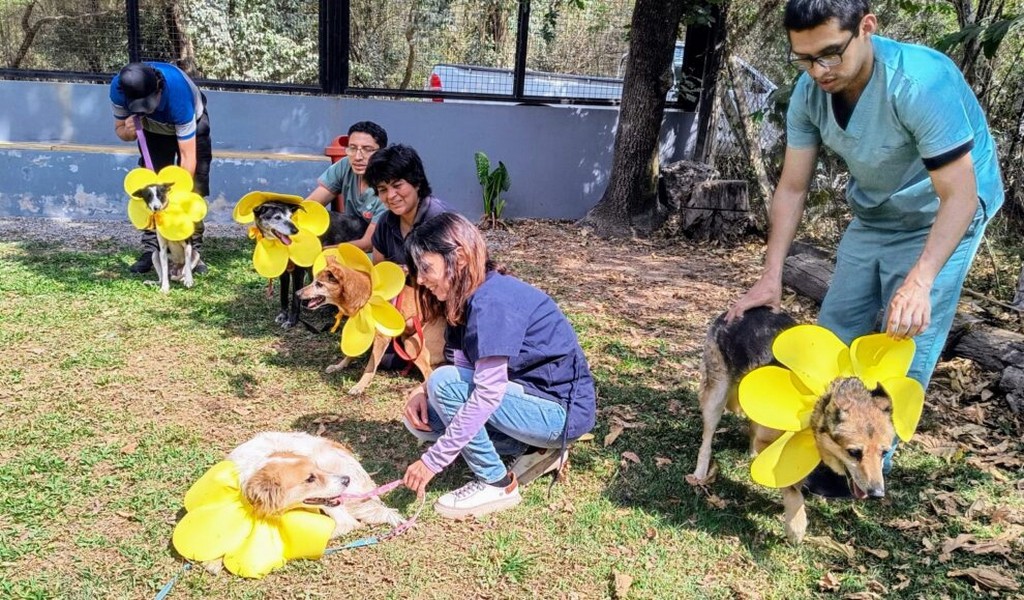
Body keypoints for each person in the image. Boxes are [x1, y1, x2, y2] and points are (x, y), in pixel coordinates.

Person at [726, 0, 1003, 496]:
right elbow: (791, 188)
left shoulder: (917, 84)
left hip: (945, 212)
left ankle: (868, 467)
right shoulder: (810, 93)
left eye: (831, 53)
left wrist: (919, 282)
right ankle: (825, 444)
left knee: (904, 341)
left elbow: (959, 195)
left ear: (866, 28)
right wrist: (771, 272)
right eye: (805, 59)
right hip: (875, 212)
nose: (820, 70)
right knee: (834, 334)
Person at [400, 213, 597, 519]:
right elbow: (463, 368)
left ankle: (496, 482)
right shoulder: (464, 298)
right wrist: (422, 391)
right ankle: (531, 451)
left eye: (426, 269)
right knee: (425, 420)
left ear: (460, 258)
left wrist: (433, 461)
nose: (421, 280)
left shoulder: (492, 302)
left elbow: (486, 393)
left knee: (445, 384)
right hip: (524, 401)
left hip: (558, 414)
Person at [110, 62, 212, 274]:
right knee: (149, 186)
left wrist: (178, 197)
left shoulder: (178, 97)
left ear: (159, 89)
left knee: (195, 186)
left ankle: (192, 250)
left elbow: (187, 157)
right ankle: (152, 250)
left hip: (192, 124)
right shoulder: (119, 89)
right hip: (151, 130)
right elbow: (121, 132)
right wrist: (129, 131)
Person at [304, 121, 389, 252]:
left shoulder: (389, 188)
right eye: (352, 148)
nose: (358, 157)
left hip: (380, 247)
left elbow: (368, 243)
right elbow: (310, 206)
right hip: (351, 236)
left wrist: (320, 251)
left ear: (382, 153)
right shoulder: (345, 165)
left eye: (367, 150)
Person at [363, 144, 449, 268]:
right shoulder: (385, 222)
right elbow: (379, 272)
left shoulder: (441, 221)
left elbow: (453, 276)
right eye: (383, 190)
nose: (391, 195)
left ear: (417, 183)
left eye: (397, 186)